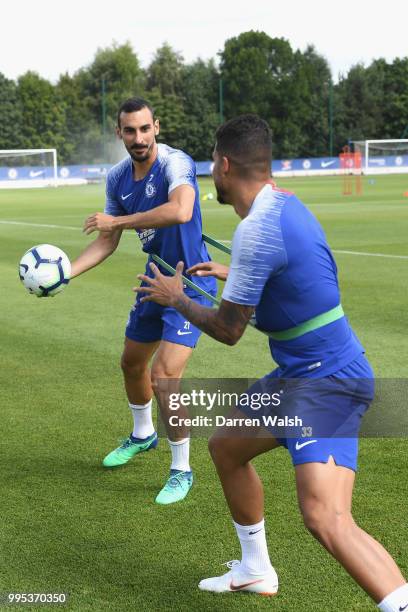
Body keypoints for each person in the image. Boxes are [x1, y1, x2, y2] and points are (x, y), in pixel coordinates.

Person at [134, 114, 408, 609]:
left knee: (327, 519)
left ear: (223, 165)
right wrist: (238, 273)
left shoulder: (256, 230)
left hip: (326, 382)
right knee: (227, 447)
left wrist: (175, 298)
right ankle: (254, 569)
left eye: (211, 164)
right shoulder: (282, 205)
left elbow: (228, 330)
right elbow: (301, 283)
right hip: (301, 373)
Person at [71, 97, 216, 505]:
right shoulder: (118, 178)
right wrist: (67, 273)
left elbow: (181, 210)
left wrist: (117, 220)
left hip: (190, 284)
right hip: (154, 281)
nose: (138, 138)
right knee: (131, 363)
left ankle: (181, 469)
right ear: (119, 133)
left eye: (144, 129)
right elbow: (107, 241)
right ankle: (143, 434)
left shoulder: (176, 162)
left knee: (164, 375)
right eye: (129, 131)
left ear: (157, 127)